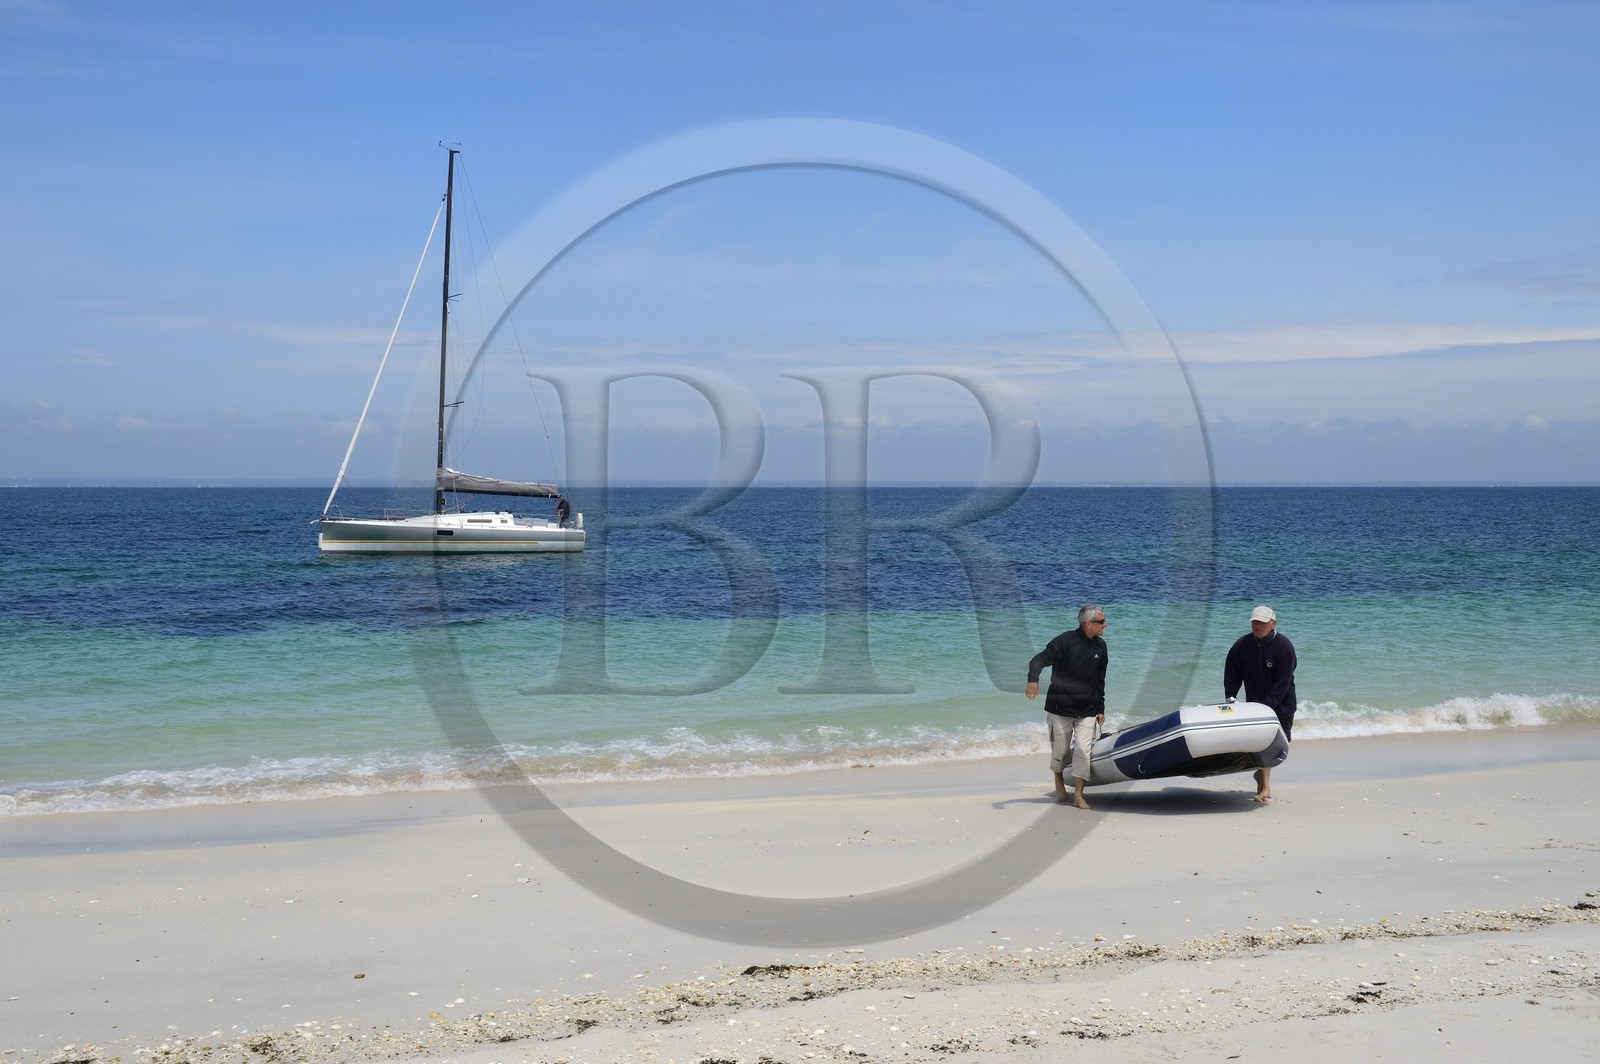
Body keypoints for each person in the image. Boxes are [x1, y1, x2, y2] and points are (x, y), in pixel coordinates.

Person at [1026, 604, 1108, 809]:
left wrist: (1100, 708)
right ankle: (1059, 780)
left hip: (1087, 708)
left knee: (1082, 749)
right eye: (1101, 622)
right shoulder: (1064, 642)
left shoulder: (1101, 647)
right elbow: (1039, 659)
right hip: (1059, 707)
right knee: (1061, 751)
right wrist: (1033, 680)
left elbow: (1101, 680)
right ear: (1088, 624)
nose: (1105, 625)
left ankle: (1079, 794)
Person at [1224, 605, 1298, 803]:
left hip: (1282, 704)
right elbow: (1232, 671)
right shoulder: (1242, 646)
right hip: (1256, 703)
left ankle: (1261, 775)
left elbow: (1282, 683)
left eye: (1263, 623)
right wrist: (1230, 697)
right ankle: (1265, 788)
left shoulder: (1284, 647)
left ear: (1273, 624)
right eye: (1255, 622)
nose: (1258, 626)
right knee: (1263, 744)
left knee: (1280, 744)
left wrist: (1269, 707)